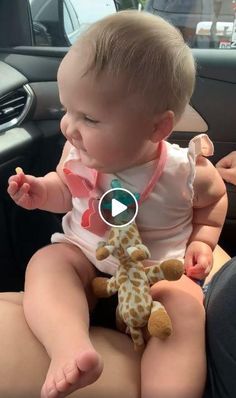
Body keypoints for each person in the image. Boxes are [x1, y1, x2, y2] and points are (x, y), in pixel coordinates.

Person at [7, 10, 227, 398]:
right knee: (48, 263)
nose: (68, 127)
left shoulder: (185, 171)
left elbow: (215, 200)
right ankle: (69, 348)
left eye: (88, 117)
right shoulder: (78, 153)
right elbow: (66, 192)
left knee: (186, 308)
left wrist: (203, 241)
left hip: (156, 272)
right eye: (66, 109)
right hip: (87, 255)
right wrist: (42, 192)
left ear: (156, 127)